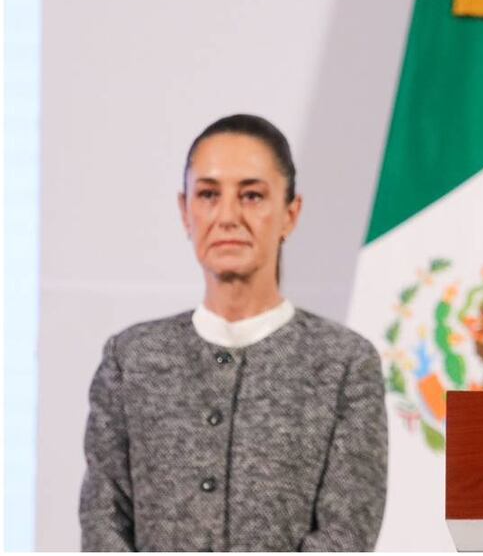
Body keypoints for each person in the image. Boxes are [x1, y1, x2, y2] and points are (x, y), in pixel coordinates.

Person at [79, 114, 387, 551]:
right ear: (185, 212)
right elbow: (103, 522)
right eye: (208, 194)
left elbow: (347, 533)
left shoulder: (343, 363)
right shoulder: (131, 359)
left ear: (290, 214)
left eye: (252, 195)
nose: (227, 216)